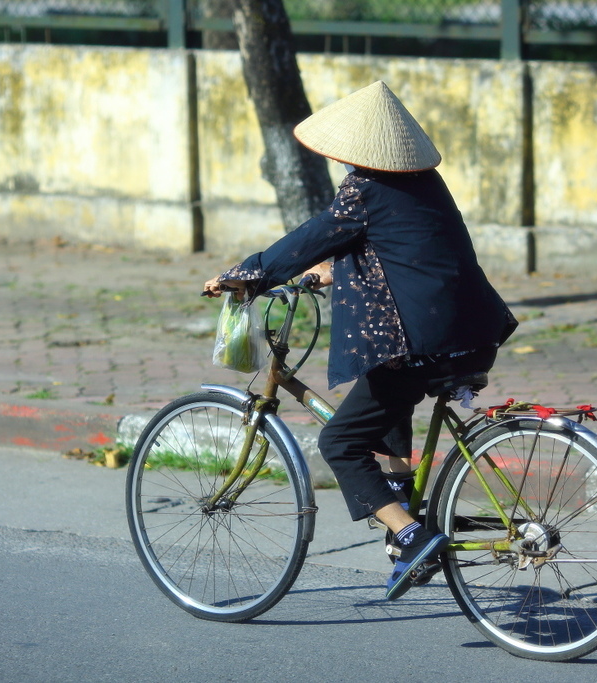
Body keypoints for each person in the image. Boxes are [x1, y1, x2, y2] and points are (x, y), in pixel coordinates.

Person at [202, 81, 517, 601]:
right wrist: (332, 272)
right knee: (387, 403)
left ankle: (413, 536)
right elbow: (404, 249)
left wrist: (247, 276)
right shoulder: (426, 183)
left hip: (423, 343)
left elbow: (311, 237)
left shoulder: (363, 191)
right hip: (473, 334)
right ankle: (403, 529)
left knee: (340, 442)